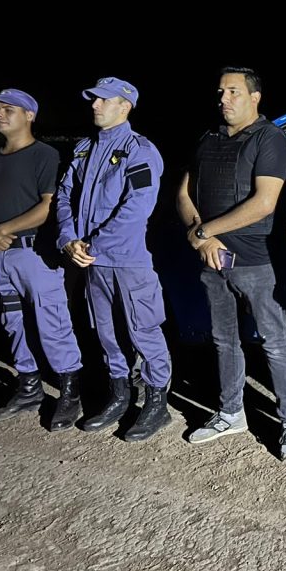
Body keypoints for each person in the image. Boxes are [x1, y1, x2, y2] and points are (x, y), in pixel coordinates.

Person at [177, 67, 286, 461]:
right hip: (211, 258)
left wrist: (204, 231)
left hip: (254, 260)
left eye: (233, 91)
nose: (224, 99)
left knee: (275, 342)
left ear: (254, 97)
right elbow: (184, 192)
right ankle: (231, 412)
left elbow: (264, 202)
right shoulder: (208, 138)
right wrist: (202, 237)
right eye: (220, 92)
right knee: (224, 340)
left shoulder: (270, 138)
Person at [56, 77, 172, 441]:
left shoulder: (140, 151)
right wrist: (67, 239)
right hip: (91, 262)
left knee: (144, 331)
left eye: (103, 100)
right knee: (106, 333)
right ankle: (120, 396)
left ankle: (157, 403)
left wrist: (92, 245)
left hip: (127, 261)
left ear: (125, 106)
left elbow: (137, 208)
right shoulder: (84, 149)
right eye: (93, 99)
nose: (95, 105)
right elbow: (64, 196)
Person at [0, 89, 83, 430]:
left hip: (35, 253)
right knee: (13, 322)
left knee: (52, 322)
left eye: (9, 109)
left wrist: (1, 229)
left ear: (29, 115)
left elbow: (47, 206)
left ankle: (70, 393)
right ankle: (29, 388)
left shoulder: (44, 155)